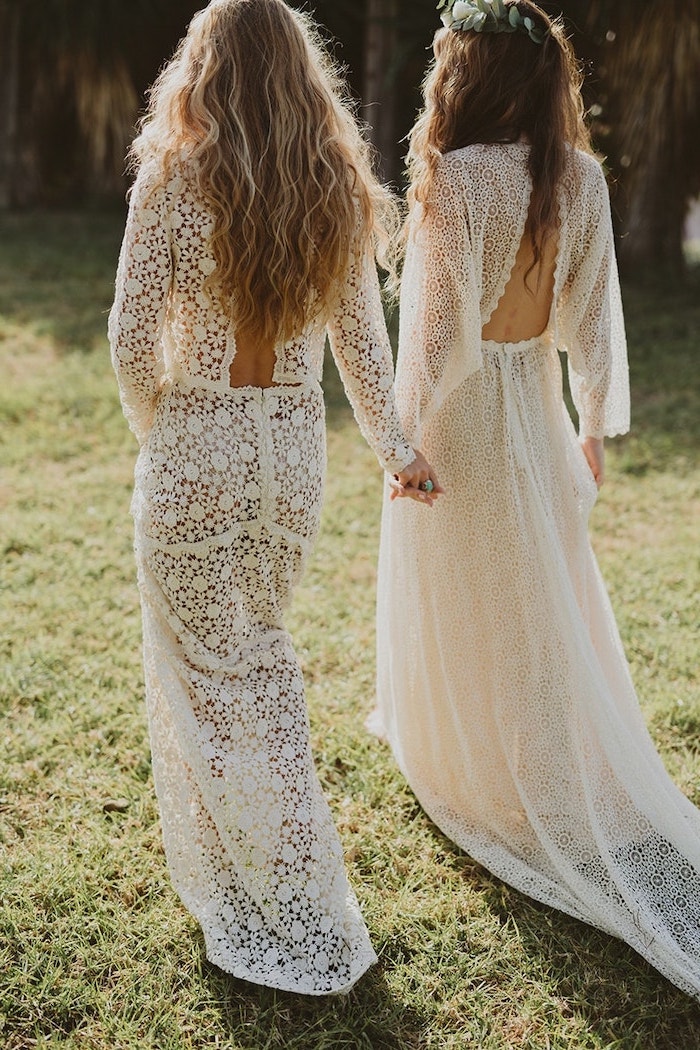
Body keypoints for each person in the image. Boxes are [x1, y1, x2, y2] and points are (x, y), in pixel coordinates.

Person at [109, 0, 439, 997]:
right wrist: (398, 450)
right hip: (292, 457)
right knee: (258, 663)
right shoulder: (336, 184)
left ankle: (276, 900)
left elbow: (130, 342)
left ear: (203, 69)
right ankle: (276, 881)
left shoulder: (172, 177)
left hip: (196, 443)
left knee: (209, 680)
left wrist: (158, 435)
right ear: (302, 76)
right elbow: (363, 358)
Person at [374, 0, 700, 1000]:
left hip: (465, 417)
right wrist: (593, 424)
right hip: (537, 407)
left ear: (463, 76)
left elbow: (430, 334)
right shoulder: (584, 178)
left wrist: (401, 435)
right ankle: (539, 749)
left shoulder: (455, 179)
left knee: (472, 590)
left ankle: (479, 764)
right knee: (536, 588)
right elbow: (595, 314)